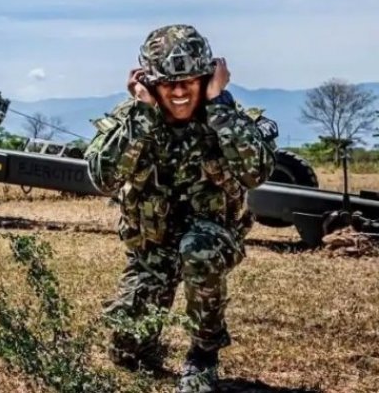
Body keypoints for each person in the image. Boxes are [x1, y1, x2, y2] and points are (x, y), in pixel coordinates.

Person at [85, 24, 278, 393]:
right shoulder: (133, 118)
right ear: (147, 83)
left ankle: (203, 355)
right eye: (166, 83)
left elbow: (256, 173)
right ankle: (147, 341)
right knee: (126, 353)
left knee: (198, 249)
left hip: (209, 241)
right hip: (152, 250)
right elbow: (102, 177)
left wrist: (219, 106)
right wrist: (142, 114)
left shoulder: (228, 116)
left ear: (206, 78)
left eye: (188, 81)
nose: (177, 91)